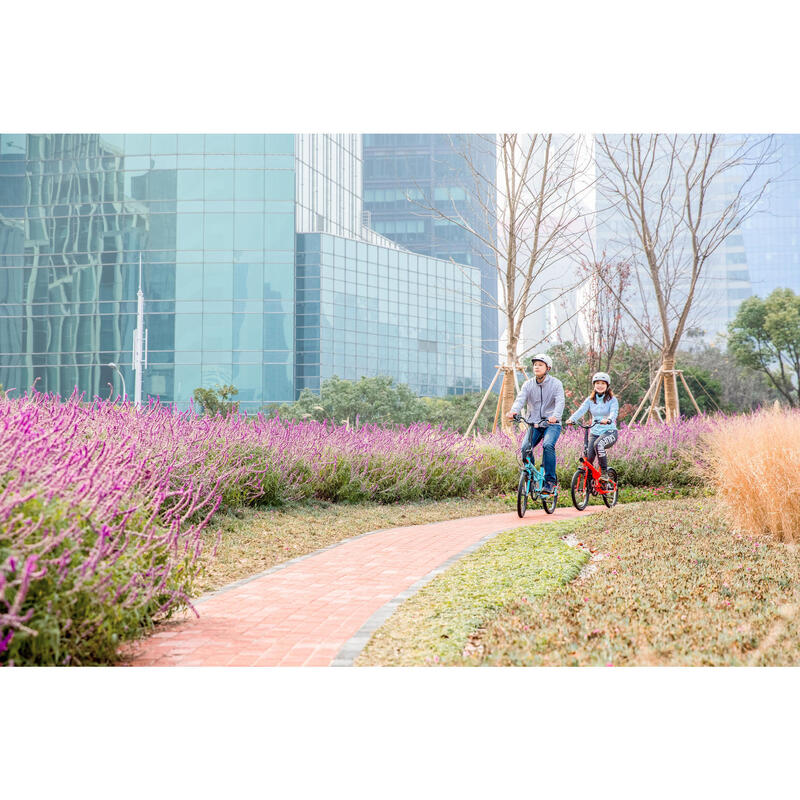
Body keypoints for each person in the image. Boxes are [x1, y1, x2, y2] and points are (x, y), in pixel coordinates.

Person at [505, 353, 565, 495]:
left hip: (552, 425)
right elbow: (520, 399)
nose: (536, 367)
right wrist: (513, 411)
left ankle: (550, 482)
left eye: (540, 365)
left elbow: (560, 402)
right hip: (534, 424)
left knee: (548, 445)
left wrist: (555, 416)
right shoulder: (528, 384)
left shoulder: (556, 384)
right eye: (535, 365)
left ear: (548, 368)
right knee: (525, 447)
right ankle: (530, 478)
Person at [565, 371, 619, 485]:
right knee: (588, 459)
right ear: (594, 385)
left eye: (603, 383)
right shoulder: (590, 400)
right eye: (597, 383)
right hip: (594, 432)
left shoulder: (612, 400)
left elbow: (614, 412)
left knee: (598, 445)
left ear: (607, 385)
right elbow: (581, 410)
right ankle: (589, 483)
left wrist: (609, 419)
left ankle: (604, 473)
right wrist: (572, 419)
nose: (600, 385)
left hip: (609, 431)